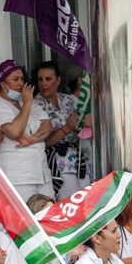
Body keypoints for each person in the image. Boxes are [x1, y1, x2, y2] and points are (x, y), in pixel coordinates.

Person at [0, 59, 53, 202]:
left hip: (41, 171)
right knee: (25, 221)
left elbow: (47, 126)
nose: (20, 83)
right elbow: (15, 132)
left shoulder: (26, 99)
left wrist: (32, 139)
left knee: (49, 216)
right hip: (19, 176)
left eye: (22, 79)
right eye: (15, 79)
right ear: (2, 83)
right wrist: (27, 103)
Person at [35, 62, 82, 196]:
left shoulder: (68, 100)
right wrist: (66, 128)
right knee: (73, 204)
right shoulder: (34, 105)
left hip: (78, 159)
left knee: (89, 202)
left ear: (58, 81)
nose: (44, 84)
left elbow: (85, 123)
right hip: (58, 164)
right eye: (40, 79)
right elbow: (43, 142)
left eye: (48, 79)